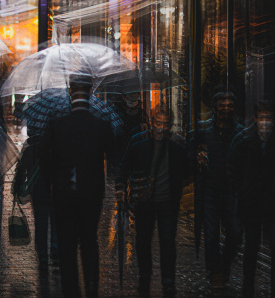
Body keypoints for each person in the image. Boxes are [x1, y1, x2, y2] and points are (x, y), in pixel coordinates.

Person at [40, 74, 116, 298]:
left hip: (64, 194)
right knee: (89, 241)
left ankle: (71, 289)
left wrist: (50, 185)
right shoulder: (101, 126)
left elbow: (45, 162)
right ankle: (92, 286)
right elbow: (112, 156)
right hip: (92, 194)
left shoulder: (56, 126)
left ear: (70, 91)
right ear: (91, 92)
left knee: (67, 245)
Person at [118, 107, 191, 298]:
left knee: (168, 243)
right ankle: (144, 277)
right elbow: (124, 168)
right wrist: (121, 190)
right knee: (143, 242)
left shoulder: (178, 146)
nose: (161, 127)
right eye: (158, 123)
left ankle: (168, 281)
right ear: (152, 122)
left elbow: (188, 170)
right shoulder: (138, 142)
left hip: (168, 203)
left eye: (166, 124)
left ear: (170, 125)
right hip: (145, 203)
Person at [228, 100, 275, 298]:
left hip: (274, 202)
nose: (265, 122)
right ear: (256, 118)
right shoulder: (244, 139)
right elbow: (233, 167)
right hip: (251, 201)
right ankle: (248, 287)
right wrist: (241, 189)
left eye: (268, 118)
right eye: (262, 118)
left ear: (273, 119)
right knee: (251, 247)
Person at [189, 90, 243, 288]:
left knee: (236, 233)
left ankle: (224, 266)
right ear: (215, 109)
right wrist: (197, 158)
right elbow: (189, 160)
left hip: (232, 191)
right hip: (210, 191)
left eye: (229, 106)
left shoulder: (240, 133)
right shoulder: (203, 132)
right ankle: (215, 272)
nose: (226, 110)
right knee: (211, 234)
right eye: (222, 106)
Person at [13, 135, 57, 275]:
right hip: (55, 191)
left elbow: (21, 171)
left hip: (38, 192)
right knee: (56, 222)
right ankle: (55, 250)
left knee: (40, 223)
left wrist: (17, 188)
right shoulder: (57, 147)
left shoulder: (30, 150)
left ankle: (43, 257)